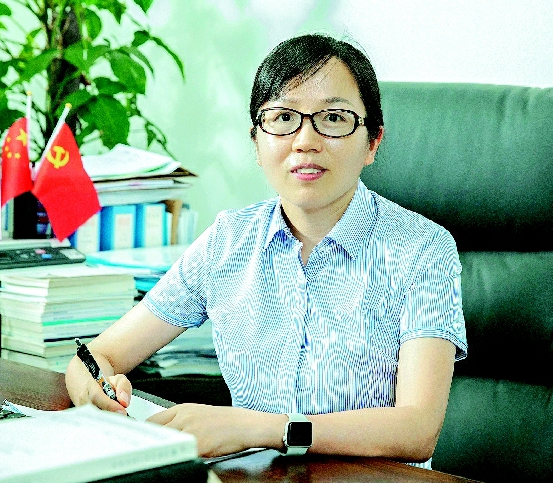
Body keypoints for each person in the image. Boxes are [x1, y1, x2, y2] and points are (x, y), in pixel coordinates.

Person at [66, 33, 467, 468]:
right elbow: (96, 357)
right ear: (257, 142)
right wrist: (95, 391)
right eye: (283, 118)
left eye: (334, 118)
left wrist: (261, 428)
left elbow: (417, 430)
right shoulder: (227, 242)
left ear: (373, 142)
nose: (305, 141)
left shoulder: (423, 249)